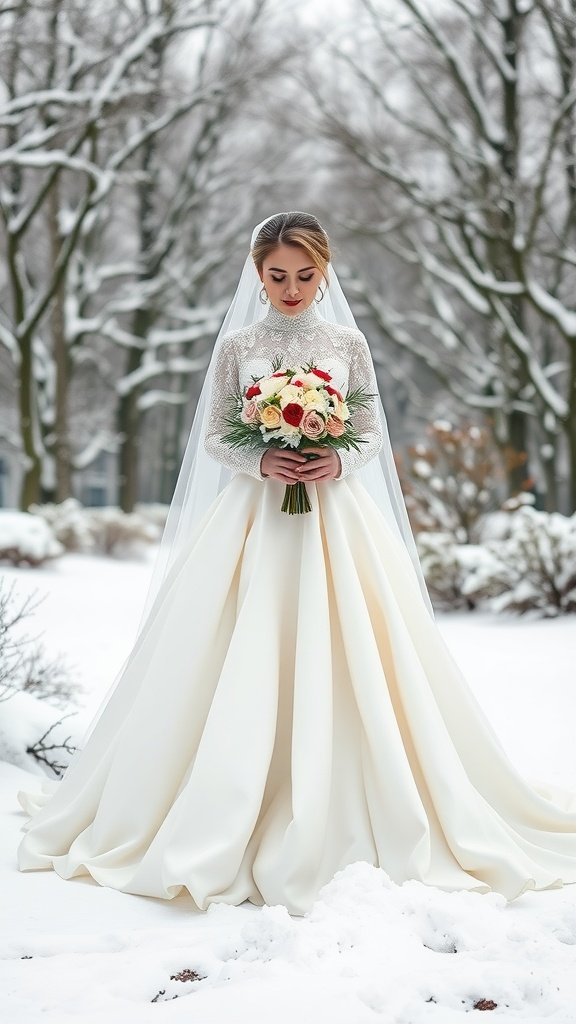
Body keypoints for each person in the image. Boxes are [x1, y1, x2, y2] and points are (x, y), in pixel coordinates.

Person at [16, 210, 576, 917]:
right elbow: (215, 436)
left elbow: (369, 431)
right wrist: (262, 458)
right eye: (277, 275)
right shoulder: (239, 345)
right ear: (257, 274)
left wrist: (336, 459)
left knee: (356, 648)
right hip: (255, 522)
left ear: (324, 273)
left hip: (335, 519)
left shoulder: (346, 343)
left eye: (305, 276)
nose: (291, 288)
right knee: (238, 644)